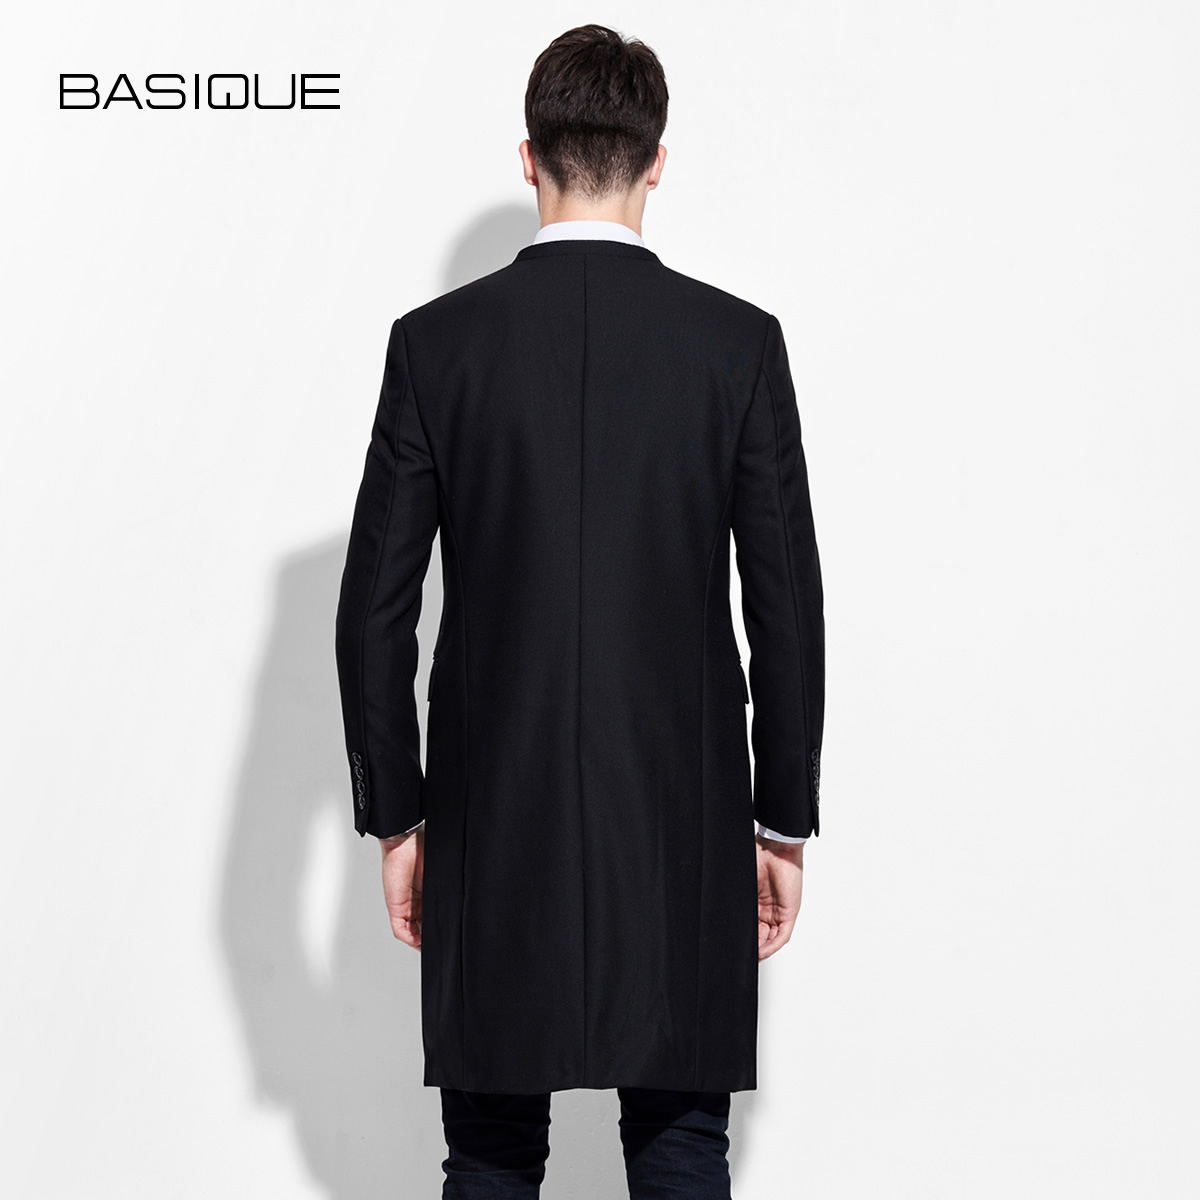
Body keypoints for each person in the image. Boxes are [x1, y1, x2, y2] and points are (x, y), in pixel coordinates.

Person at [334, 23, 824, 1200]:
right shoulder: (737, 348)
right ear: (657, 162)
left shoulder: (435, 347)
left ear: (529, 157)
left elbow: (372, 612)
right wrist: (780, 821)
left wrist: (399, 819)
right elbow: (788, 609)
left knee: (490, 1151)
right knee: (682, 1144)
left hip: (492, 817)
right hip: (682, 819)